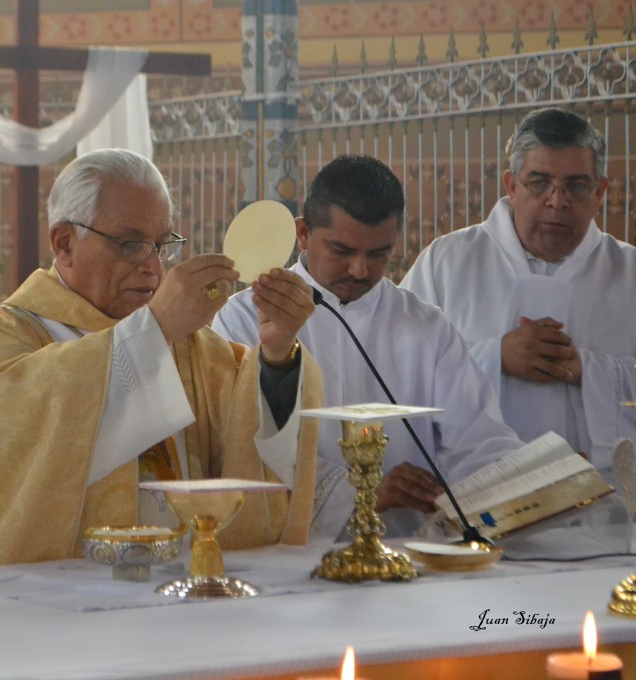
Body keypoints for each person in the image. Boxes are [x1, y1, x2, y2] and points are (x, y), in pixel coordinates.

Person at [0, 148, 323, 570]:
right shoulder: (0, 337)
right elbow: (11, 462)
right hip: (56, 602)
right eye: (131, 244)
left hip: (179, 592)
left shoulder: (190, 344)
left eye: (162, 245)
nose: (153, 267)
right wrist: (155, 330)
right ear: (64, 243)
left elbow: (251, 447)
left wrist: (277, 353)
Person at [213, 155, 526, 541]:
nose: (360, 270)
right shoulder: (244, 318)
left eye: (379, 253)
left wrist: (529, 477)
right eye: (342, 251)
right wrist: (360, 493)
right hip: (290, 554)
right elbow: (243, 442)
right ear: (304, 234)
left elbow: (476, 440)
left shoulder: (425, 326)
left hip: (408, 550)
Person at [401, 107, 636, 480]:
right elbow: (398, 371)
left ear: (601, 191)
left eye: (577, 185)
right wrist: (498, 356)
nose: (558, 201)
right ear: (511, 185)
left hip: (606, 500)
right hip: (479, 493)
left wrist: (586, 370)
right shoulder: (447, 261)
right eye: (539, 183)